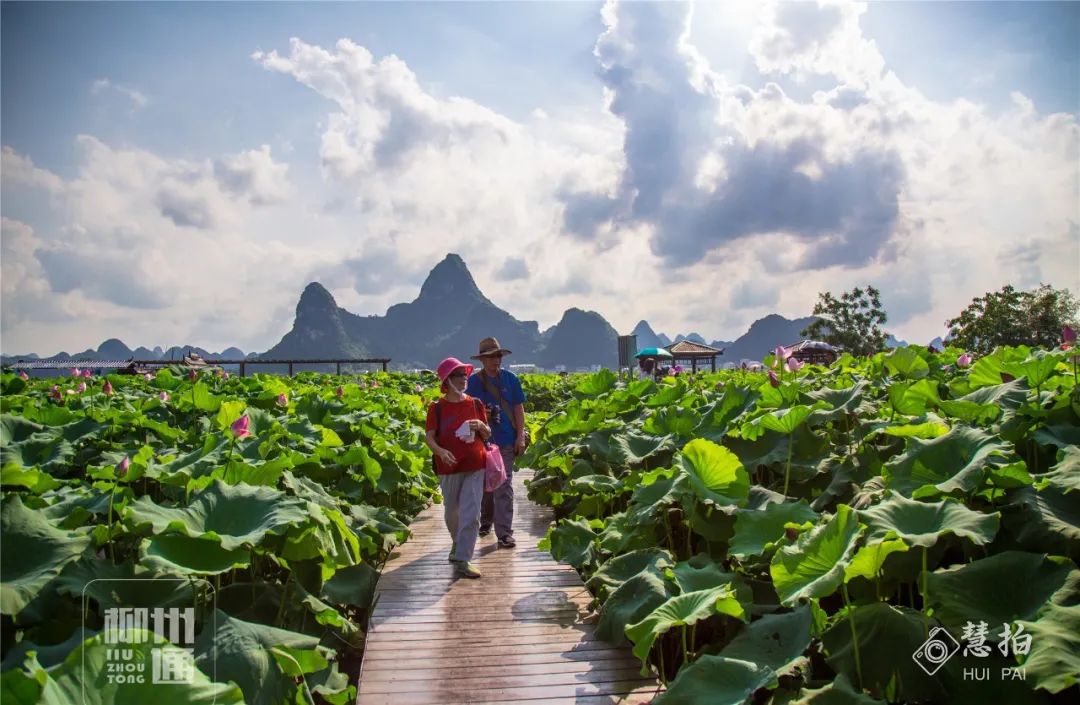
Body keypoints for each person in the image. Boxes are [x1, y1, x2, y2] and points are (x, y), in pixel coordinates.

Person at [425, 357, 492, 578]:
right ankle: (457, 543)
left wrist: (481, 425)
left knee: (471, 513)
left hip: (475, 463)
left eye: (465, 374)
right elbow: (429, 438)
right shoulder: (436, 408)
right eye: (458, 375)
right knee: (452, 512)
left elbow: (487, 433)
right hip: (449, 466)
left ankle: (464, 558)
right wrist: (441, 452)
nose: (464, 379)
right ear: (447, 380)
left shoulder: (475, 404)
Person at [466, 336, 527, 548]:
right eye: (491, 357)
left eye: (498, 356)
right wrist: (484, 414)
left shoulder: (511, 380)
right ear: (482, 359)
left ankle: (504, 532)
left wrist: (520, 435)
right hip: (482, 443)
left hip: (506, 441)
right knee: (485, 486)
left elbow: (518, 409)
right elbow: (467, 409)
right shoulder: (473, 382)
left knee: (504, 485)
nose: (496, 360)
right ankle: (486, 522)